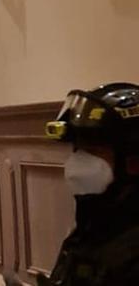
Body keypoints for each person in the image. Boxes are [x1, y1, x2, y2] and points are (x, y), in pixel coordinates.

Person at [41, 83, 139, 285]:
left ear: (132, 162)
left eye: (94, 150)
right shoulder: (94, 224)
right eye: (78, 149)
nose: (78, 163)